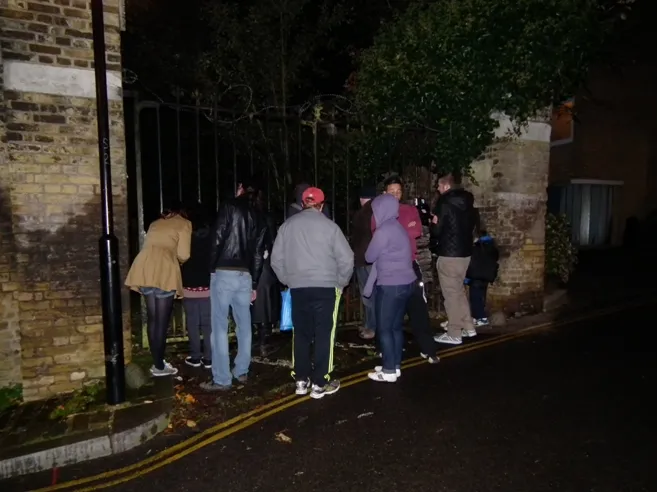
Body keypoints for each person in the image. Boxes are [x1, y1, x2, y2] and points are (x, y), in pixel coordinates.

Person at [271, 187, 354, 399]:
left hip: (298, 288)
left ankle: (300, 379)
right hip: (326, 287)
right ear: (322, 204)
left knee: (301, 334)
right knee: (324, 334)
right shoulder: (330, 227)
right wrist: (341, 283)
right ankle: (320, 382)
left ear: (303, 203)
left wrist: (288, 280)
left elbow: (275, 260)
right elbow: (347, 258)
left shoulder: (287, 227)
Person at [200, 179, 268, 391]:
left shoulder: (230, 206)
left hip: (224, 271)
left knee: (219, 326)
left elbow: (217, 238)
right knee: (244, 325)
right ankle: (241, 370)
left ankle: (222, 378)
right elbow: (258, 254)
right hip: (245, 276)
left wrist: (212, 268)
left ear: (240, 188)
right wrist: (254, 282)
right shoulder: (260, 214)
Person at [125, 201, 192, 377]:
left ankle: (157, 362)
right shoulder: (185, 223)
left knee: (153, 319)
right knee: (162, 322)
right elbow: (184, 254)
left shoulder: (155, 222)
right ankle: (159, 367)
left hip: (145, 267)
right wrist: (178, 259)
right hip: (165, 269)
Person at [378, 175, 439, 362]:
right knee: (387, 313)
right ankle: (386, 351)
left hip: (410, 265)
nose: (396, 195)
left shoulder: (409, 209)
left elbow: (417, 230)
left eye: (398, 191)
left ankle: (429, 350)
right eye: (392, 192)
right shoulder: (379, 212)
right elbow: (377, 235)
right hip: (388, 268)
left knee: (418, 308)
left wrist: (395, 232)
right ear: (384, 193)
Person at [363, 194, 417, 383]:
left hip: (390, 285)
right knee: (395, 327)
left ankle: (388, 371)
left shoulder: (383, 231)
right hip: (406, 284)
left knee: (384, 328)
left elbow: (369, 257)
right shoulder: (398, 228)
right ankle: (394, 365)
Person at [430, 172, 477, 345]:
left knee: (451, 295)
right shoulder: (469, 202)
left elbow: (437, 230)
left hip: (449, 255)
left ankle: (454, 333)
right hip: (465, 254)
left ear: (446, 186)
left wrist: (432, 222)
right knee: (459, 291)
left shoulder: (444, 202)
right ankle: (469, 327)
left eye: (439, 186)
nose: (437, 188)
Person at [441, 228, 500, 331]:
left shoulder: (477, 248)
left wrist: (466, 277)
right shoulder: (491, 247)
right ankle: (478, 317)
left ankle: (480, 318)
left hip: (476, 277)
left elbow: (473, 264)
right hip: (486, 277)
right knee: (481, 297)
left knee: (475, 298)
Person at [181, 203, 214, 369]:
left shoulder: (186, 235)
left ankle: (195, 357)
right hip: (207, 285)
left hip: (189, 285)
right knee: (208, 324)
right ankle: (208, 358)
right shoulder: (212, 235)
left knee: (192, 324)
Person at [251, 201, 281, 357]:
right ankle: (263, 341)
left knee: (256, 304)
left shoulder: (248, 216)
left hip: (253, 264)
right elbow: (274, 241)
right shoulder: (267, 218)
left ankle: (259, 339)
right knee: (265, 304)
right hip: (265, 265)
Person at [351, 185, 377, 340]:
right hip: (371, 259)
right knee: (371, 294)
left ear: (361, 199)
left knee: (368, 295)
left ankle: (371, 326)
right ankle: (369, 323)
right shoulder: (377, 212)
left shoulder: (362, 213)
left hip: (363, 259)